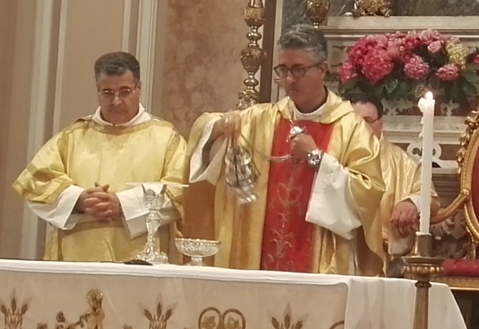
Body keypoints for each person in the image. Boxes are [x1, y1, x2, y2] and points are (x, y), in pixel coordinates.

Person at [186, 24, 385, 276]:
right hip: (259, 260)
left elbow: (367, 194)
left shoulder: (350, 127)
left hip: (319, 265)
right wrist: (221, 125)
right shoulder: (263, 119)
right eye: (283, 70)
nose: (289, 80)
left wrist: (316, 158)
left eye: (298, 69)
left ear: (323, 69)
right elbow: (203, 131)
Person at [13, 51, 186, 262]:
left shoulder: (166, 138)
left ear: (139, 89)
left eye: (125, 92)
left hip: (143, 259)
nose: (116, 101)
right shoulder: (72, 137)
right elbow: (38, 183)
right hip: (77, 257)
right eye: (107, 92)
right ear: (97, 90)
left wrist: (123, 204)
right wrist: (80, 200)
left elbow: (181, 191)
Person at [348, 94, 440, 272]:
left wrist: (411, 202)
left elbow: (431, 197)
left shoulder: (401, 161)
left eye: (367, 120)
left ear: (381, 124)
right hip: (341, 252)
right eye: (354, 121)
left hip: (383, 260)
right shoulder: (334, 156)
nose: (360, 126)